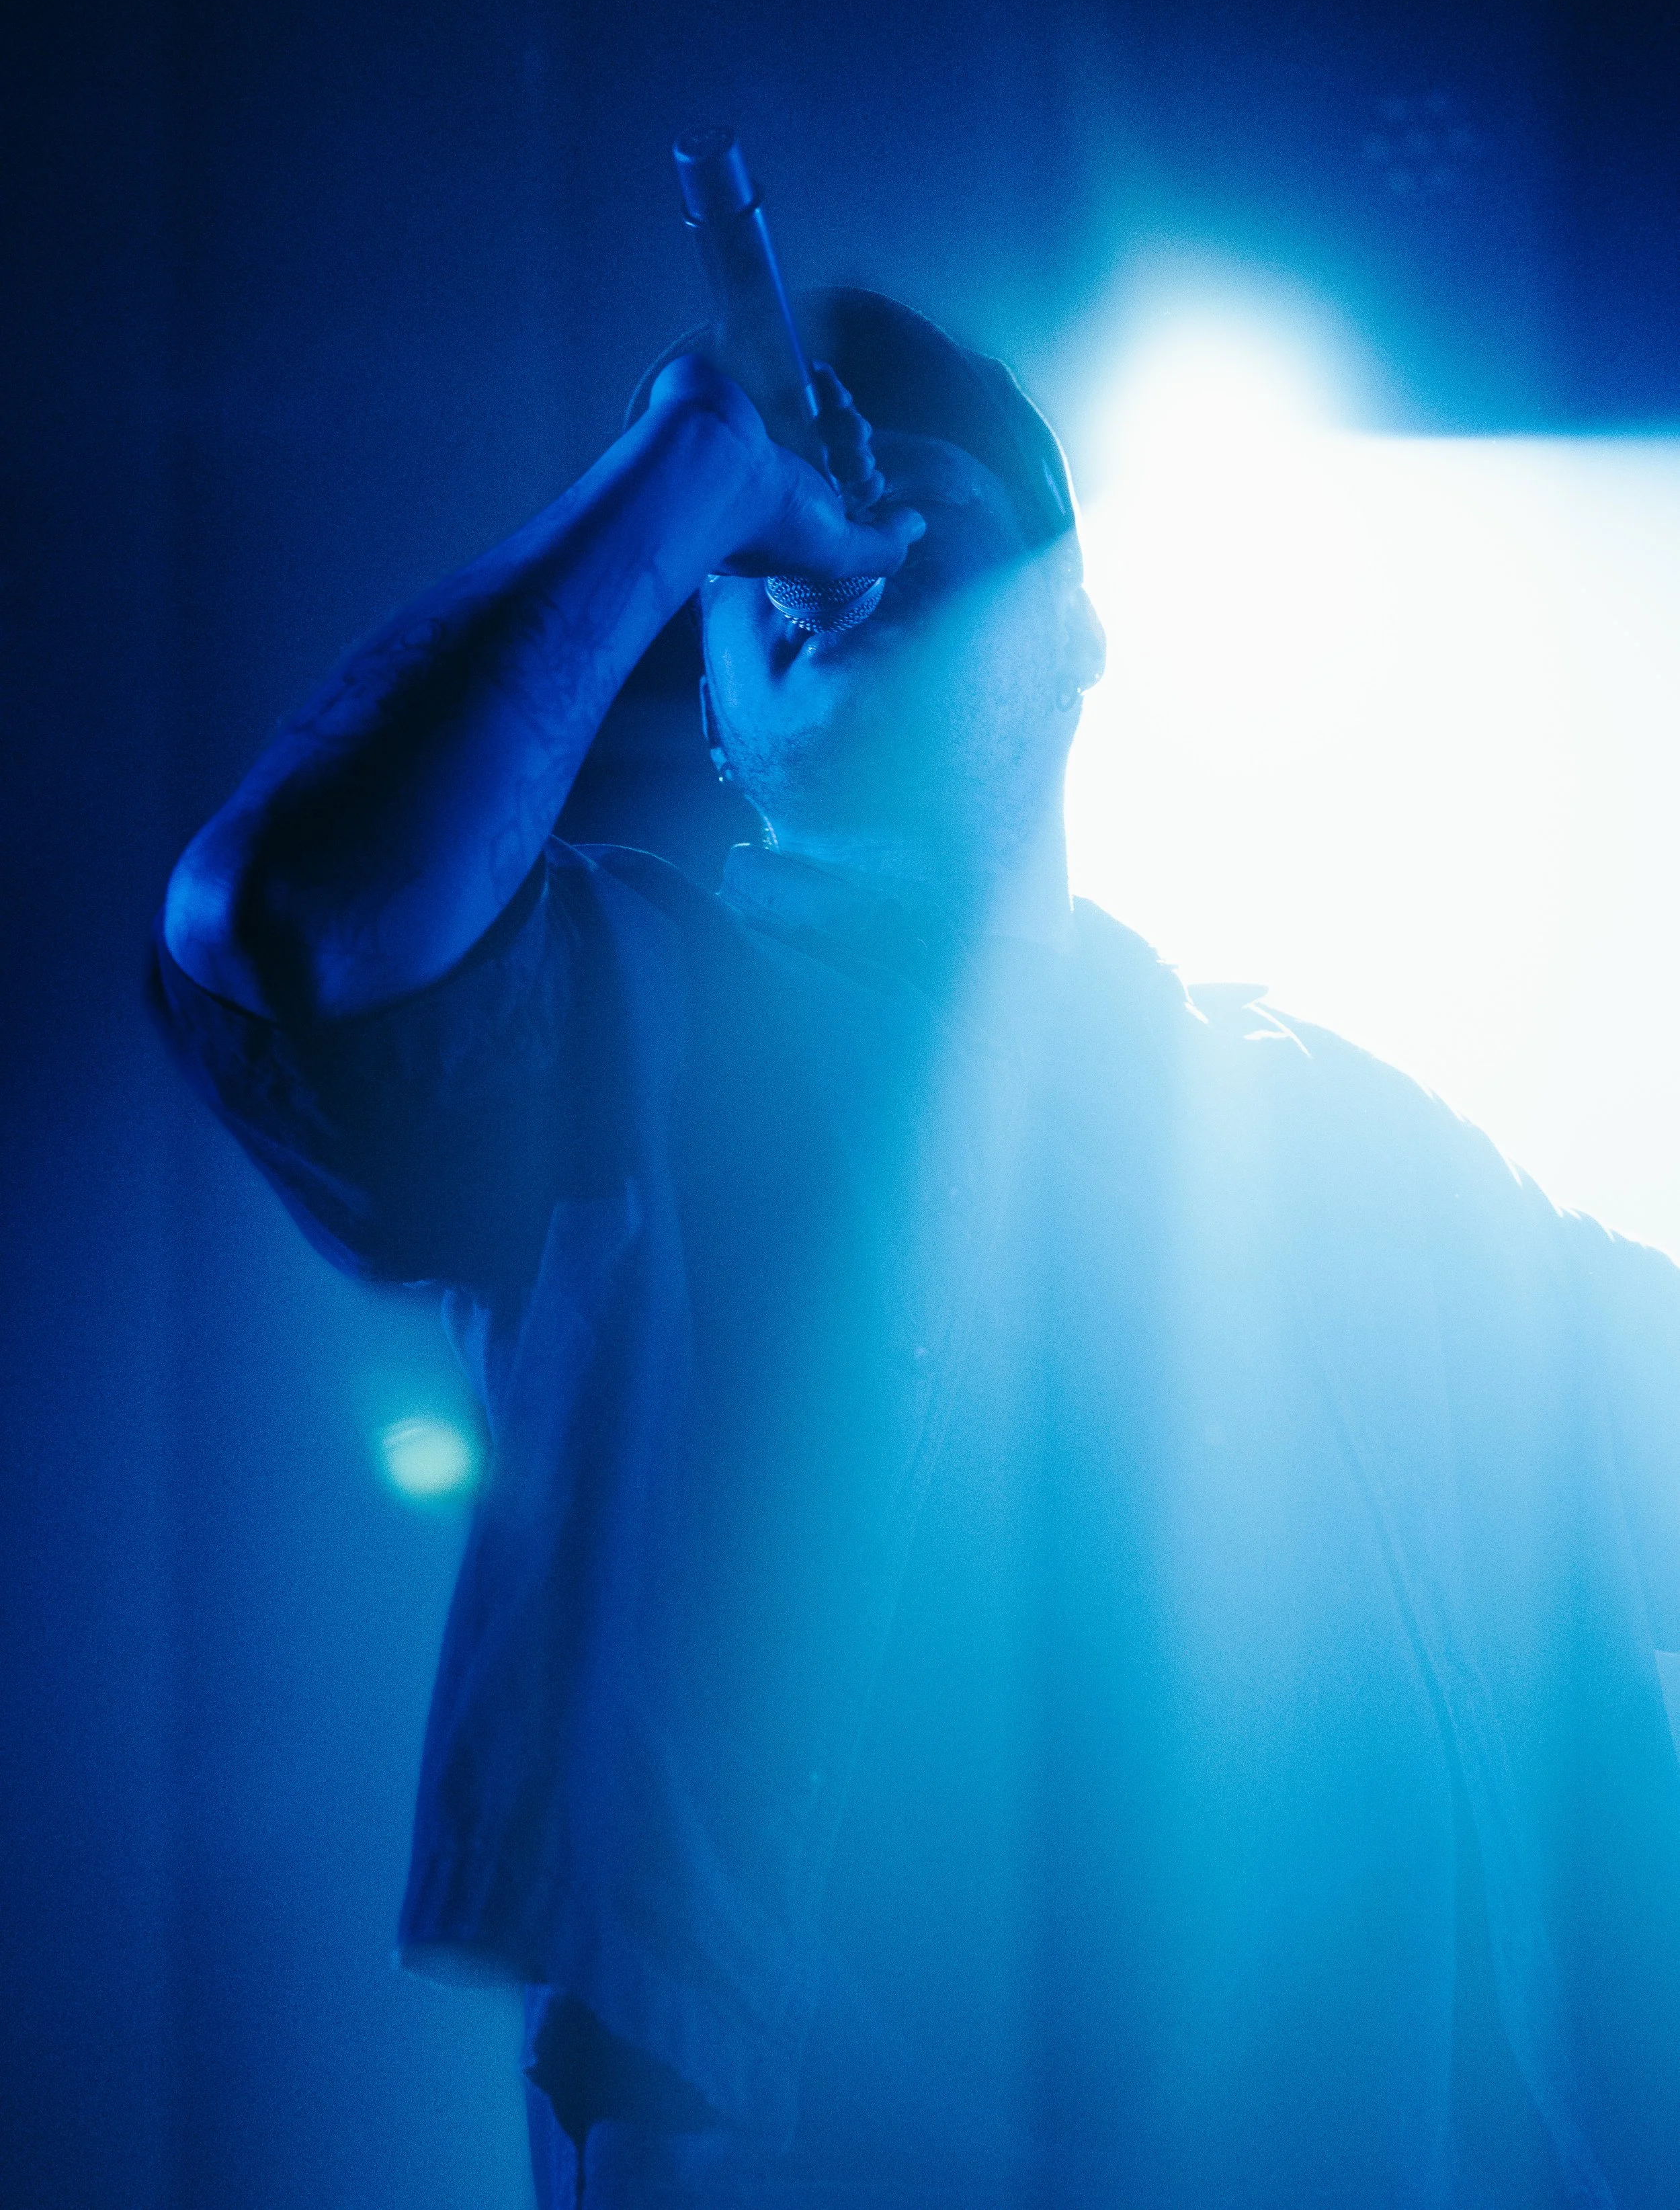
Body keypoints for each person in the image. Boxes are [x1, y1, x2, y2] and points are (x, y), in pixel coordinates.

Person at [155, 288, 1680, 2209]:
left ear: (1078, 631)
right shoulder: (625, 1030)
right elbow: (290, 916)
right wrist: (685, 475)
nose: (840, 541)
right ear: (717, 717)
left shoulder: (1330, 1142)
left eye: (915, 506)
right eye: (770, 552)